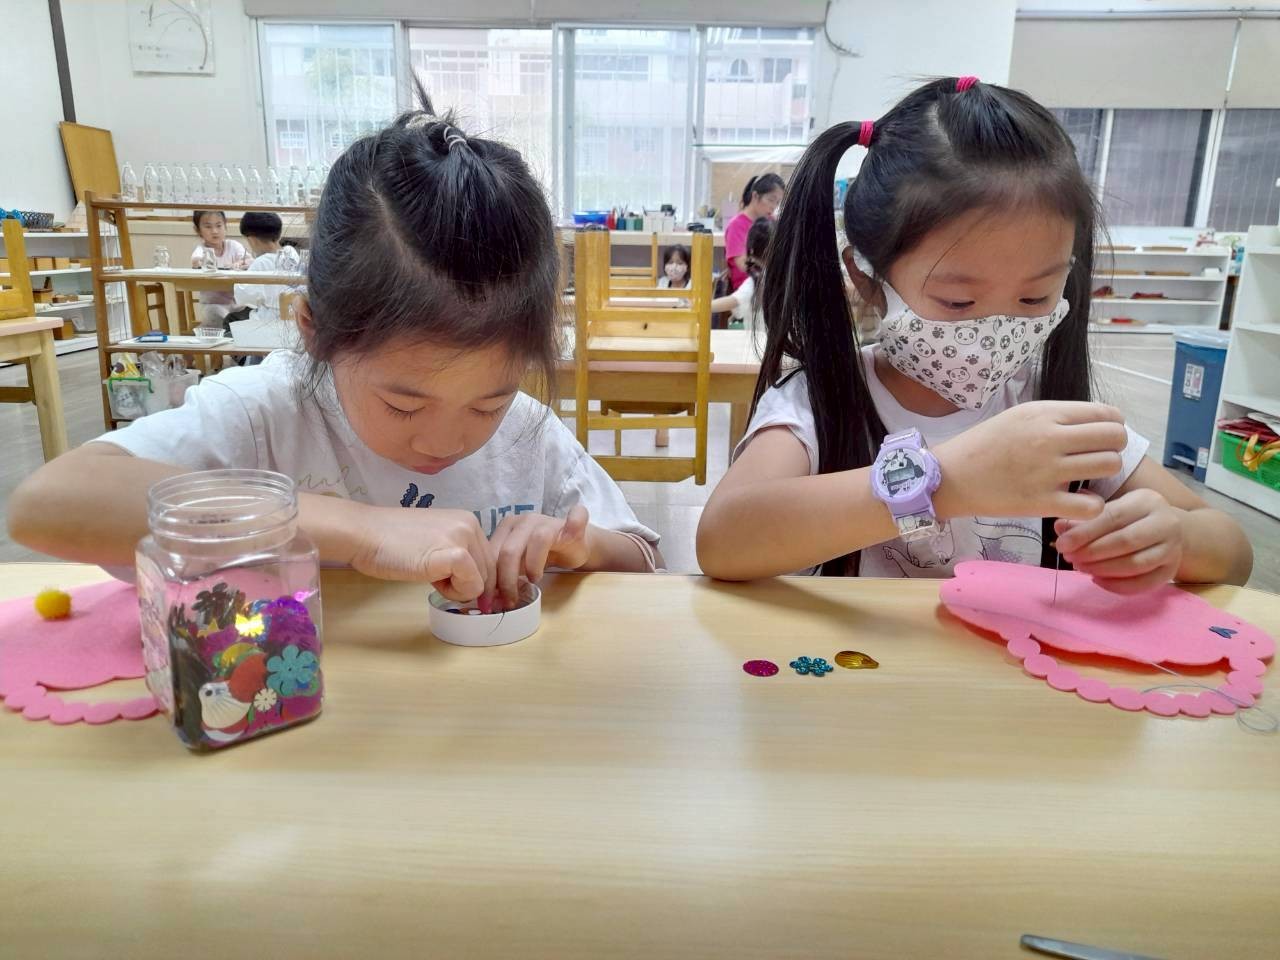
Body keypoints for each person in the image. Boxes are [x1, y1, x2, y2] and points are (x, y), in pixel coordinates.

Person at [10, 88, 662, 610]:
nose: (444, 440)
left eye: (487, 403)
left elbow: (645, 559)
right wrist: (360, 530)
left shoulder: (526, 432)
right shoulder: (266, 415)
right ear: (313, 329)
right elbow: (50, 503)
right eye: (404, 405)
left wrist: (583, 552)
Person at [696, 77, 1252, 591]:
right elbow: (723, 540)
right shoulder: (818, 401)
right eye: (958, 301)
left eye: (1035, 297)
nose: (997, 330)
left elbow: (1233, 551)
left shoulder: (1051, 413)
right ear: (867, 278)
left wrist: (1172, 540)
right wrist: (944, 481)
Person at [232, 211, 293, 327]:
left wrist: (240, 274)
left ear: (252, 239)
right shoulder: (291, 253)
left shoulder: (261, 262)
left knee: (231, 320)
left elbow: (243, 297)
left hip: (268, 323)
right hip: (292, 322)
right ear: (279, 234)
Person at [710, 217, 772, 332]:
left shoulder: (758, 279)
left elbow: (733, 301)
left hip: (762, 338)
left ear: (751, 250)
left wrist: (700, 306)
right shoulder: (761, 278)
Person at [189, 210, 250, 325]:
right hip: (213, 304)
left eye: (219, 225)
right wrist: (200, 262)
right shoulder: (201, 250)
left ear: (225, 226)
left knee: (252, 312)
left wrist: (240, 263)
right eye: (208, 227)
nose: (215, 231)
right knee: (214, 314)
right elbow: (196, 261)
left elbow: (249, 260)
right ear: (198, 230)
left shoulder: (233, 245)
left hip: (238, 304)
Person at [724, 173, 783, 291]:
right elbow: (743, 265)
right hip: (746, 289)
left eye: (777, 202)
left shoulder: (772, 223)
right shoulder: (737, 225)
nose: (773, 207)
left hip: (768, 286)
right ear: (755, 196)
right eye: (771, 200)